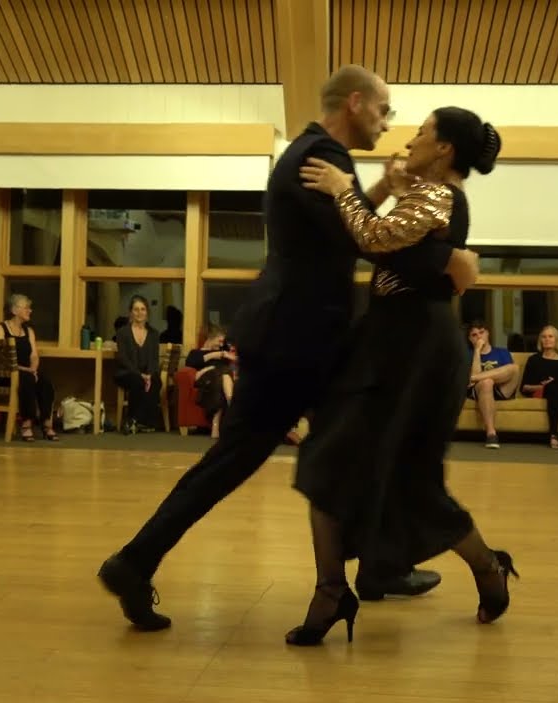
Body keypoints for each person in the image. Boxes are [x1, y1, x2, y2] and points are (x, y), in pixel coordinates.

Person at [97, 65, 481, 631]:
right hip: (296, 342)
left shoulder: (310, 152)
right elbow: (365, 240)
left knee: (356, 449)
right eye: (382, 110)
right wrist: (446, 261)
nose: (387, 123)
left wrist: (372, 191)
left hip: (298, 337)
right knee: (246, 459)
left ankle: (371, 569)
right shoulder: (323, 160)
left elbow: (336, 234)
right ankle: (135, 561)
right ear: (355, 103)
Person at [285, 107, 517, 646]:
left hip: (416, 350)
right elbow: (400, 245)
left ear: (445, 150)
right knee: (333, 459)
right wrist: (389, 184)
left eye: (423, 133)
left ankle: (486, 565)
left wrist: (347, 187)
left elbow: (373, 237)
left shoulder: (440, 196)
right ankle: (330, 589)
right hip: (391, 341)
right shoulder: (429, 194)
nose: (410, 138)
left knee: (406, 477)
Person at [0, 293, 57, 441]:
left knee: (45, 382)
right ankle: (26, 424)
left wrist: (33, 369)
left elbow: (34, 355)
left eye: (30, 308)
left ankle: (46, 423)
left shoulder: (29, 331)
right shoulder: (1, 329)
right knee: (27, 379)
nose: (30, 310)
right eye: (26, 308)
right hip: (5, 374)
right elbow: (3, 359)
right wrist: (26, 370)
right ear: (14, 310)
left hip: (27, 372)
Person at [465, 319, 519, 449]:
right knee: (487, 382)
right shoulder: (468, 355)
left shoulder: (501, 352)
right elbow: (472, 384)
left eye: (481, 333)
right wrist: (477, 351)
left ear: (487, 333)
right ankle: (491, 434)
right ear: (470, 339)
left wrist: (475, 378)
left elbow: (510, 372)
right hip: (479, 391)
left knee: (514, 368)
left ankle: (478, 378)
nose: (479, 337)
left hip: (501, 389)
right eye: (474, 335)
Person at [113, 295, 163, 433]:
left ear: (147, 312)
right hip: (127, 372)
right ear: (130, 312)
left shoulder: (154, 334)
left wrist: (149, 375)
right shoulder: (122, 333)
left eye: (142, 309)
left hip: (147, 373)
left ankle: (137, 421)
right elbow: (123, 359)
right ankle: (137, 420)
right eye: (136, 309)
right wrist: (140, 374)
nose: (139, 313)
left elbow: (154, 359)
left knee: (156, 381)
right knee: (137, 381)